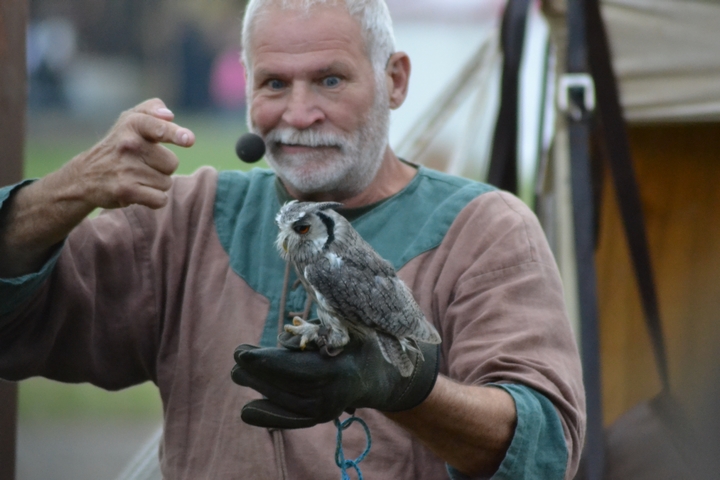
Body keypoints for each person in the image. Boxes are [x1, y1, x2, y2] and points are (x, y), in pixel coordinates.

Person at [0, 0, 585, 478]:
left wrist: (411, 392)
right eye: (274, 83)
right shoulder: (187, 218)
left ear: (395, 80)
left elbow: (543, 451)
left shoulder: (486, 230)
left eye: (330, 79)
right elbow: (18, 323)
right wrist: (68, 190)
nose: (299, 114)